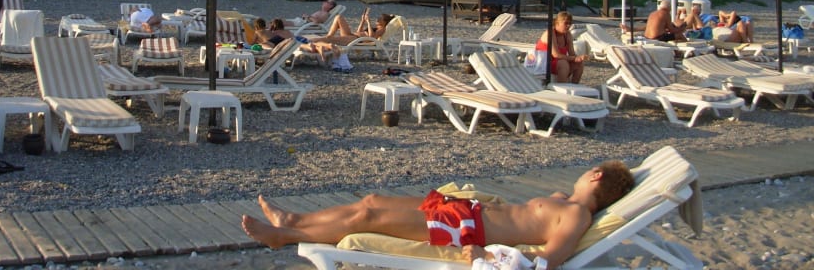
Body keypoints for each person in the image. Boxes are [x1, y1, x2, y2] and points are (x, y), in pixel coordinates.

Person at [241, 161, 635, 269]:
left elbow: (545, 262)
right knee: (371, 202)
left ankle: (286, 236)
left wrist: (484, 256)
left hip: (467, 228)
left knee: (368, 220)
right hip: (466, 211)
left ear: (596, 176)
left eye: (589, 171)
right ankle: (294, 222)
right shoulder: (564, 200)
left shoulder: (577, 216)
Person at [535, 11, 587, 83]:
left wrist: (579, 58)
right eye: (566, 23)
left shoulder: (567, 34)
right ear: (557, 23)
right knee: (563, 63)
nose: (568, 26)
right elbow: (556, 55)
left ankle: (574, 85)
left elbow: (572, 53)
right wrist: (574, 58)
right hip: (544, 63)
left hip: (556, 62)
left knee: (579, 63)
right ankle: (562, 86)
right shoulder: (550, 33)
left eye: (570, 23)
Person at [318, 8, 395, 45]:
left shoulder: (382, 29)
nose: (377, 19)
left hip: (355, 39)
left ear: (384, 22)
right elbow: (359, 31)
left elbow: (371, 37)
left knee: (331, 40)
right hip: (352, 36)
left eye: (380, 18)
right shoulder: (376, 28)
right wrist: (362, 21)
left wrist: (368, 22)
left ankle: (316, 41)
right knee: (338, 17)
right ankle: (329, 35)